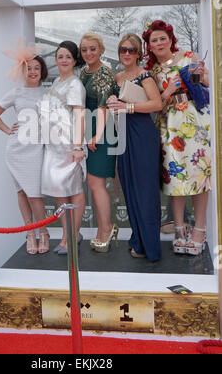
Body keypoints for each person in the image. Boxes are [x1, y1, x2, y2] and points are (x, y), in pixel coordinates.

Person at [142, 20, 211, 256]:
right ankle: (180, 230)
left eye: (163, 38)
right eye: (154, 40)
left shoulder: (188, 57)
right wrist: (168, 91)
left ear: (171, 39)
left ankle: (200, 230)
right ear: (149, 46)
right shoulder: (151, 72)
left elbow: (210, 85)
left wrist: (202, 76)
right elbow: (154, 106)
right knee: (175, 178)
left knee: (199, 175)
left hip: (194, 122)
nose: (159, 43)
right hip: (169, 126)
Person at [106, 34, 162, 261]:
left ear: (139, 53)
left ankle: (151, 247)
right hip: (123, 135)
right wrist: (112, 103)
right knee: (129, 188)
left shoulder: (145, 76)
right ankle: (138, 241)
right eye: (122, 50)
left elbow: (156, 104)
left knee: (145, 190)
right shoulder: (117, 76)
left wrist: (127, 106)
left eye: (131, 49)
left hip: (143, 135)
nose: (126, 53)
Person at [0, 41, 50, 255]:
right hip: (17, 149)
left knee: (34, 193)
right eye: (29, 68)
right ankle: (29, 232)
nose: (33, 72)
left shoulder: (48, 93)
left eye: (37, 68)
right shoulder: (16, 93)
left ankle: (43, 232)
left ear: (42, 71)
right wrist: (8, 129)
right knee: (22, 192)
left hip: (38, 148)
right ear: (22, 71)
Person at [40, 41, 86, 255]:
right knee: (60, 192)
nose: (64, 60)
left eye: (68, 56)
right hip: (54, 146)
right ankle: (67, 234)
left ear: (75, 60)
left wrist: (77, 146)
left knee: (74, 189)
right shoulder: (57, 81)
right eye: (60, 56)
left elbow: (79, 115)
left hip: (69, 144)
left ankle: (71, 237)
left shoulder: (75, 84)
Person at [79, 33, 118, 253]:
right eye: (84, 50)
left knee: (96, 183)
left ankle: (107, 229)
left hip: (102, 131)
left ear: (101, 49)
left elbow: (103, 107)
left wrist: (96, 135)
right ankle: (105, 228)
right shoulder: (84, 72)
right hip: (88, 129)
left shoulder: (104, 73)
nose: (88, 53)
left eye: (92, 49)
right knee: (94, 184)